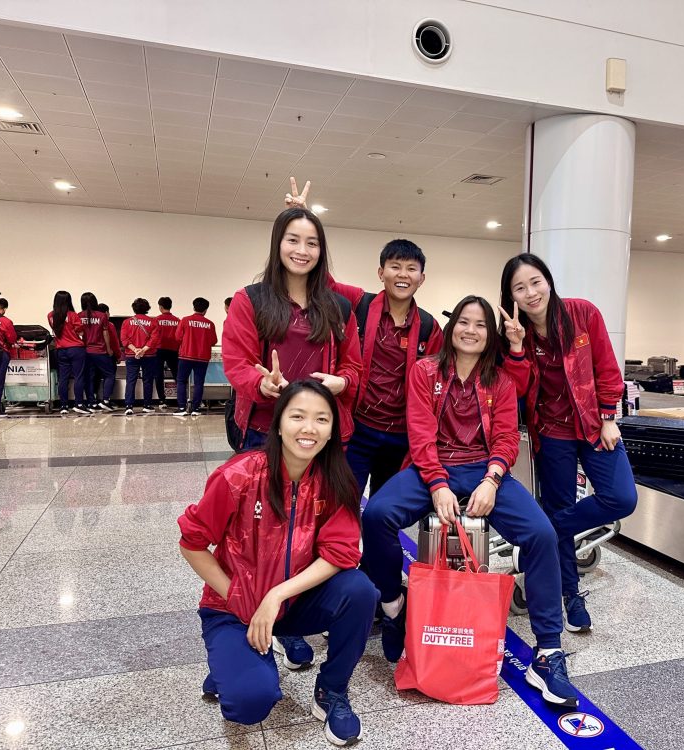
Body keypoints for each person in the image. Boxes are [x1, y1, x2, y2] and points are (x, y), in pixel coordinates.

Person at [361, 296, 580, 708]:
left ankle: (548, 653)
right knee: (376, 514)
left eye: (480, 325)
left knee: (541, 534)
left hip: (484, 468)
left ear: (489, 335)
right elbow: (420, 433)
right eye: (464, 321)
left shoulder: (500, 380)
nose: (471, 330)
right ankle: (392, 605)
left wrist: (492, 479)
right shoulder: (425, 371)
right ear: (452, 327)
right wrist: (437, 483)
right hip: (432, 465)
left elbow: (506, 437)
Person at [178, 380, 376, 745]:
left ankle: (331, 691)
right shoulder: (239, 475)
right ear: (279, 423)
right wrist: (238, 596)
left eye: (321, 419)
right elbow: (192, 544)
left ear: (332, 430)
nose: (309, 428)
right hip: (233, 607)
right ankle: (230, 665)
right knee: (249, 702)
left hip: (293, 603)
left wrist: (276, 595)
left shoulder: (335, 481)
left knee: (360, 591)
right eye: (297, 416)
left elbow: (340, 553)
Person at [222, 205, 362, 669]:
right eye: (293, 240)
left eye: (312, 242)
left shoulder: (338, 306)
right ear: (277, 244)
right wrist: (261, 383)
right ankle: (258, 618)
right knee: (260, 533)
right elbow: (237, 362)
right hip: (264, 433)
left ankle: (291, 616)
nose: (302, 250)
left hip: (318, 437)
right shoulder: (251, 300)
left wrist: (342, 382)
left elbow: (355, 366)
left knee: (311, 531)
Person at [499, 253, 637, 633]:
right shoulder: (515, 335)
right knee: (560, 503)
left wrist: (609, 417)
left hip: (593, 424)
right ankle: (570, 595)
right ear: (511, 296)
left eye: (536, 282)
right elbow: (515, 391)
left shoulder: (582, 314)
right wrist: (515, 349)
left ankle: (544, 527)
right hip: (551, 434)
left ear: (548, 281)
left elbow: (607, 367)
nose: (531, 293)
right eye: (520, 288)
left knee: (621, 498)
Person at [329, 239, 444, 500]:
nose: (403, 275)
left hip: (400, 438)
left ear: (422, 278)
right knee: (343, 502)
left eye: (411, 269)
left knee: (384, 510)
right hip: (357, 429)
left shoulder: (429, 327)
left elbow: (436, 384)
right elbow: (323, 282)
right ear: (381, 273)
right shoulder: (359, 303)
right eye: (395, 267)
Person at [175, 297, 218, 416]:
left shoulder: (185, 320)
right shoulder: (210, 324)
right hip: (203, 357)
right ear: (206, 310)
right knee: (199, 383)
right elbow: (213, 341)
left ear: (193, 307)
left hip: (186, 356)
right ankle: (196, 409)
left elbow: (177, 337)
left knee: (181, 381)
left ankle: (182, 408)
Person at [120, 298, 161, 416]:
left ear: (134, 308)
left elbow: (124, 339)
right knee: (147, 380)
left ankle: (129, 406)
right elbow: (154, 339)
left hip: (131, 355)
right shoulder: (153, 322)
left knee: (131, 380)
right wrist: (143, 350)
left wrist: (135, 350)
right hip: (149, 355)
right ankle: (147, 405)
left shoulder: (127, 322)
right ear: (147, 308)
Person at [79, 292, 115, 412]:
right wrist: (109, 349)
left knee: (89, 377)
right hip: (100, 351)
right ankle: (105, 401)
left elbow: (78, 333)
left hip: (85, 351)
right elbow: (105, 333)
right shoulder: (102, 316)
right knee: (109, 374)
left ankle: (91, 402)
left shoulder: (79, 316)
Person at [154, 296, 181, 408]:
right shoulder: (177, 320)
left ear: (160, 307)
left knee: (158, 375)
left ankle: (162, 400)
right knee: (177, 375)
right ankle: (181, 399)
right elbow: (180, 336)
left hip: (159, 349)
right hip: (173, 350)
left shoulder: (156, 320)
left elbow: (153, 335)